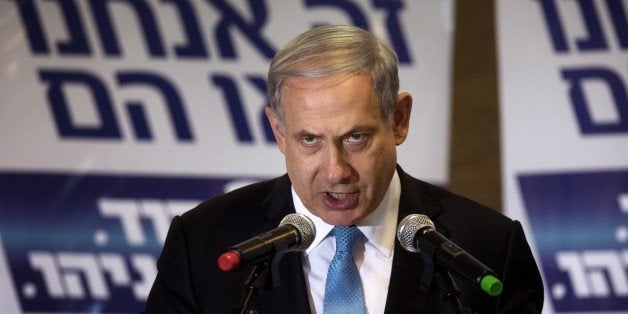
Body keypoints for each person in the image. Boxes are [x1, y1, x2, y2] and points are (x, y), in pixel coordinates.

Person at [144, 25, 543, 313]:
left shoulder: (488, 247)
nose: (335, 171)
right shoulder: (203, 243)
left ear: (399, 119)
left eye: (356, 137)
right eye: (309, 140)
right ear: (279, 132)